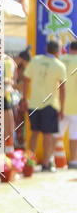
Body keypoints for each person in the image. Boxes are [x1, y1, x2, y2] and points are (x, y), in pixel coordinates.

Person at [22, 39, 66, 171]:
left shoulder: (35, 60)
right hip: (50, 104)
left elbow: (25, 79)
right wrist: (62, 108)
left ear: (46, 48)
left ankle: (30, 162)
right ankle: (46, 164)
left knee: (34, 132)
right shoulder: (59, 65)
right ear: (58, 51)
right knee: (48, 134)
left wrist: (24, 99)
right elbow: (63, 88)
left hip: (34, 102)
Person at [59, 40, 77, 167]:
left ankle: (51, 161)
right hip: (74, 105)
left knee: (55, 135)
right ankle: (73, 161)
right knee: (74, 136)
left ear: (69, 48)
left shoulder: (60, 60)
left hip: (58, 104)